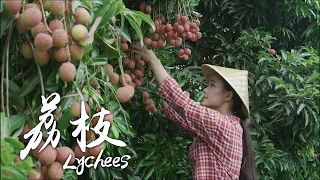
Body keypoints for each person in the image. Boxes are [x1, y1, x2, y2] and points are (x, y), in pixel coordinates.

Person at [134, 45, 258, 180]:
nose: (205, 90)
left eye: (212, 85)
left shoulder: (222, 125)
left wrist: (153, 60)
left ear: (227, 96)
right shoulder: (223, 127)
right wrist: (154, 81)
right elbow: (182, 120)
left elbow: (183, 104)